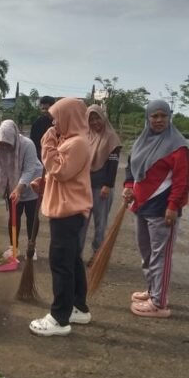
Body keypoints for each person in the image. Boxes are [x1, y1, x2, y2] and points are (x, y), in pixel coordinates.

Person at [28, 98, 93, 337]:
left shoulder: (77, 143)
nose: (53, 122)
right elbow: (61, 175)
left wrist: (47, 144)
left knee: (61, 263)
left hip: (68, 211)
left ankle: (59, 318)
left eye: (56, 117)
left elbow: (60, 170)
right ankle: (78, 306)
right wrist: (44, 183)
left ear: (68, 117)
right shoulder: (70, 140)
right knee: (72, 261)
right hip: (68, 208)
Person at [123, 99, 189, 318]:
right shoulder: (142, 142)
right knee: (146, 253)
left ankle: (159, 304)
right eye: (155, 116)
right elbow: (131, 168)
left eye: (163, 115)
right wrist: (128, 187)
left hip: (162, 210)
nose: (159, 120)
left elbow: (183, 181)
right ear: (148, 118)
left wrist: (173, 206)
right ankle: (153, 290)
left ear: (170, 117)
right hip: (141, 207)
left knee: (160, 256)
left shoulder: (177, 146)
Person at [0, 120, 43, 259]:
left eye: (8, 144)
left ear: (14, 138)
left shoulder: (27, 144)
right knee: (13, 217)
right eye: (2, 143)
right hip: (11, 185)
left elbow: (29, 170)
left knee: (32, 217)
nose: (5, 147)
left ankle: (32, 247)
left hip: (31, 185)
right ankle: (13, 247)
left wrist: (18, 189)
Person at [80, 105, 122, 266]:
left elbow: (113, 165)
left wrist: (107, 185)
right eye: (91, 119)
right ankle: (77, 255)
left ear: (103, 117)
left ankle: (97, 256)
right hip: (85, 187)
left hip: (101, 189)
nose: (95, 122)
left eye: (97, 117)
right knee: (81, 224)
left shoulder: (111, 138)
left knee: (100, 225)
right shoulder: (86, 136)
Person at [29, 96, 55, 161]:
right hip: (41, 156)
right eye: (42, 109)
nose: (44, 111)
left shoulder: (60, 122)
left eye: (46, 109)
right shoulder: (37, 123)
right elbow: (34, 142)